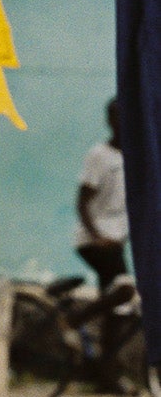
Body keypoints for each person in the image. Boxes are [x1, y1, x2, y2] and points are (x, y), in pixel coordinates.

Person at [76, 97, 130, 292]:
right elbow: (82, 202)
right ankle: (71, 320)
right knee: (123, 290)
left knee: (113, 296)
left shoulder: (134, 156)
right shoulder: (99, 155)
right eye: (117, 117)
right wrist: (96, 237)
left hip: (116, 240)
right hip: (96, 240)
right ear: (109, 120)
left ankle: (103, 321)